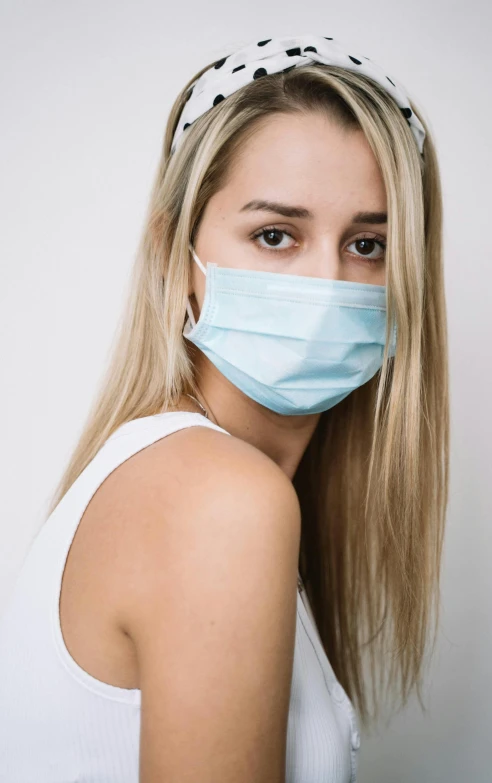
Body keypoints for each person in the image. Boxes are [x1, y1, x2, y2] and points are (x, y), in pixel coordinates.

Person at [0, 33, 449, 783]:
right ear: (178, 258)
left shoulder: (171, 472)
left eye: (369, 245)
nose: (327, 282)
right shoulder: (220, 499)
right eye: (276, 235)